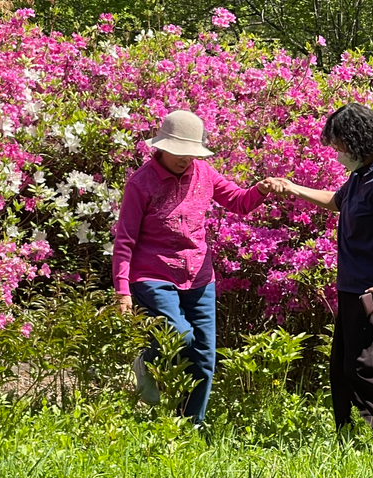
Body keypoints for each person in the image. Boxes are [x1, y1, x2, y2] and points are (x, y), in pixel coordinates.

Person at [113, 109, 279, 426]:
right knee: (179, 337)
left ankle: (191, 425)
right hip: (153, 275)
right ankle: (145, 361)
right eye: (179, 152)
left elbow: (239, 202)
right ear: (161, 147)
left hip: (200, 277)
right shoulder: (141, 184)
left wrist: (261, 190)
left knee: (204, 356)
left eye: (191, 153)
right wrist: (123, 293)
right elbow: (124, 242)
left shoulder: (204, 173)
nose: (185, 159)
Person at [275, 102, 373, 446]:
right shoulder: (362, 174)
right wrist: (292, 187)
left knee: (364, 366)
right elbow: (336, 201)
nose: (337, 153)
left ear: (358, 140)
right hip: (351, 287)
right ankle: (353, 435)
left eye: (340, 145)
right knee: (342, 368)